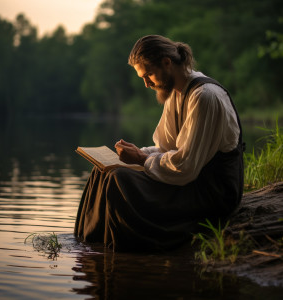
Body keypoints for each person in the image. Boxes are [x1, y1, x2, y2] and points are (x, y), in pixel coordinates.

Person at [74, 35, 245, 251]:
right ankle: (88, 245)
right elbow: (166, 148)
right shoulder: (175, 93)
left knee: (121, 178)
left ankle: (118, 250)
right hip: (191, 180)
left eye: (149, 75)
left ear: (167, 63)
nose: (146, 84)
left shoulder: (205, 97)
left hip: (212, 192)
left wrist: (141, 158)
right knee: (104, 171)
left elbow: (185, 167)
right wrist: (136, 153)